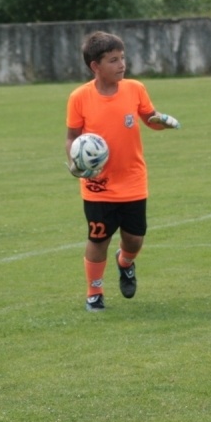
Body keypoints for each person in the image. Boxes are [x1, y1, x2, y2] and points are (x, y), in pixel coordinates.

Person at [65, 31, 180, 312]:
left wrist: (162, 121)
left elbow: (149, 119)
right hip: (98, 185)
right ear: (95, 66)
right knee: (98, 237)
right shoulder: (79, 97)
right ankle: (95, 292)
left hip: (132, 179)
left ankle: (125, 262)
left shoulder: (135, 89)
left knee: (134, 238)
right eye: (113, 60)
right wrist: (76, 163)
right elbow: (72, 137)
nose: (121, 65)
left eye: (123, 58)